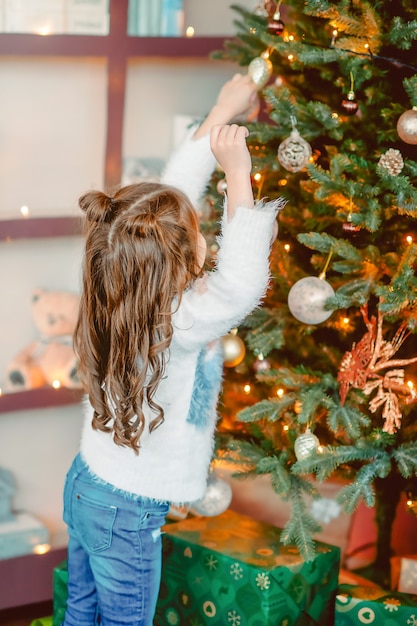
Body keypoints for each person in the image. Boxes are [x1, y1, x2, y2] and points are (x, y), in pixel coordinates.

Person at [62, 73, 284, 626]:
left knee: (81, 611)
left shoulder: (112, 283)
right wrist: (238, 172)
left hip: (86, 482)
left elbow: (174, 189)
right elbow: (243, 280)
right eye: (197, 236)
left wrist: (220, 109)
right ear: (173, 264)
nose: (205, 238)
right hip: (126, 510)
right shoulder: (180, 320)